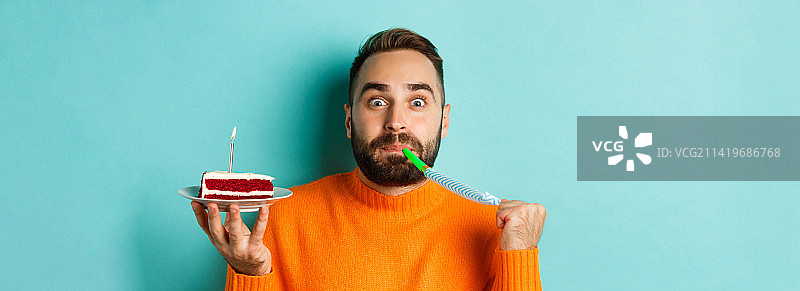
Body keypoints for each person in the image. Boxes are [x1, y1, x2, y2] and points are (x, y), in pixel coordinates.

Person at [191, 28, 546, 290]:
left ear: (445, 120)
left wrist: (520, 257)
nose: (396, 121)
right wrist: (250, 274)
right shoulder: (281, 219)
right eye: (377, 101)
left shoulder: (494, 229)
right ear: (349, 120)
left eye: (417, 102)